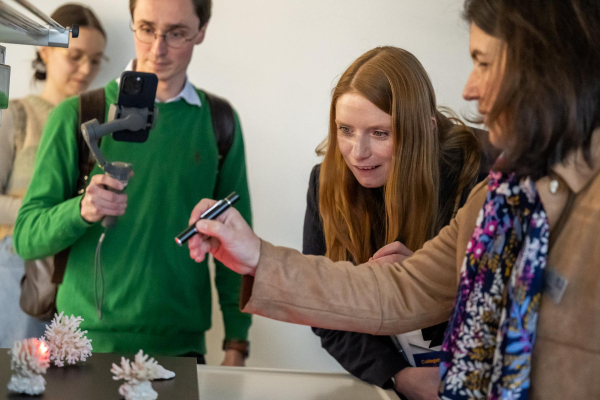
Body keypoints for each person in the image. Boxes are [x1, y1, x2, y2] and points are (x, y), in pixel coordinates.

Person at [187, 0, 600, 397]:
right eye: (345, 130)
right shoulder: (501, 197)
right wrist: (257, 255)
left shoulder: (491, 178)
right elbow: (396, 291)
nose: (470, 88)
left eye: (484, 63)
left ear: (548, 66)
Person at [14, 0, 252, 366]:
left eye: (176, 33)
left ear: (201, 32)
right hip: (81, 346)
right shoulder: (77, 115)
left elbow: (238, 242)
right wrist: (82, 210)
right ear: (132, 24)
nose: (158, 48)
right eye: (146, 29)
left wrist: (237, 341)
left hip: (179, 348)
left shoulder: (219, 122)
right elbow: (27, 237)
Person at [302, 46, 482, 400]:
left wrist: (423, 282)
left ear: (424, 130)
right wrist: (397, 375)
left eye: (380, 133)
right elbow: (325, 314)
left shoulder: (477, 177)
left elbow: (506, 305)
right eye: (346, 130)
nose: (358, 152)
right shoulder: (324, 182)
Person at [0, 4, 107, 348]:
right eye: (75, 56)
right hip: (21, 267)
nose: (86, 69)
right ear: (45, 49)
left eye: (95, 59)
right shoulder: (16, 115)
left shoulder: (103, 126)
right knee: (20, 369)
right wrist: (49, 212)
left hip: (81, 270)